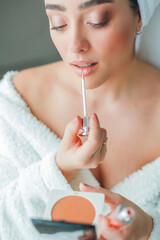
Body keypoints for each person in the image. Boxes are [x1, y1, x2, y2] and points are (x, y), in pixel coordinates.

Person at [0, 0, 160, 239]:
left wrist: (149, 230)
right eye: (58, 23)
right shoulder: (14, 102)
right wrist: (58, 169)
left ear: (138, 16)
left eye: (97, 22)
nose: (75, 46)